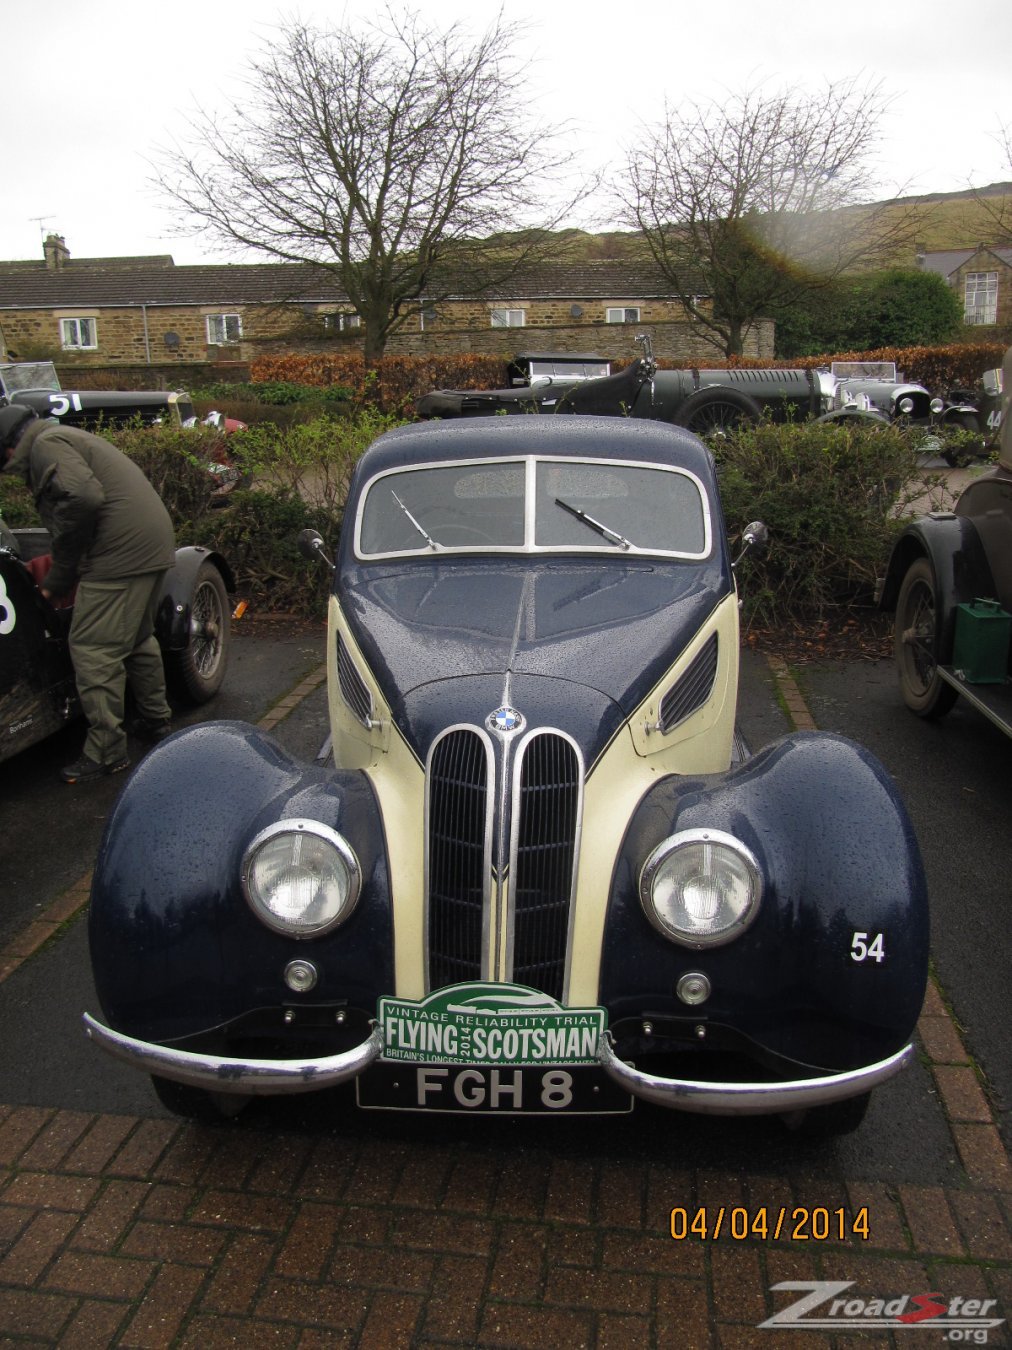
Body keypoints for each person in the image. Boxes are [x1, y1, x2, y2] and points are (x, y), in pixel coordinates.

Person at [0, 405, 176, 783]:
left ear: (9, 448)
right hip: (151, 544)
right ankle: (154, 717)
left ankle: (107, 751)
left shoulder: (46, 445)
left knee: (93, 648)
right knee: (137, 638)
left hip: (119, 555)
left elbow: (82, 498)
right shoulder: (59, 437)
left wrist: (62, 573)